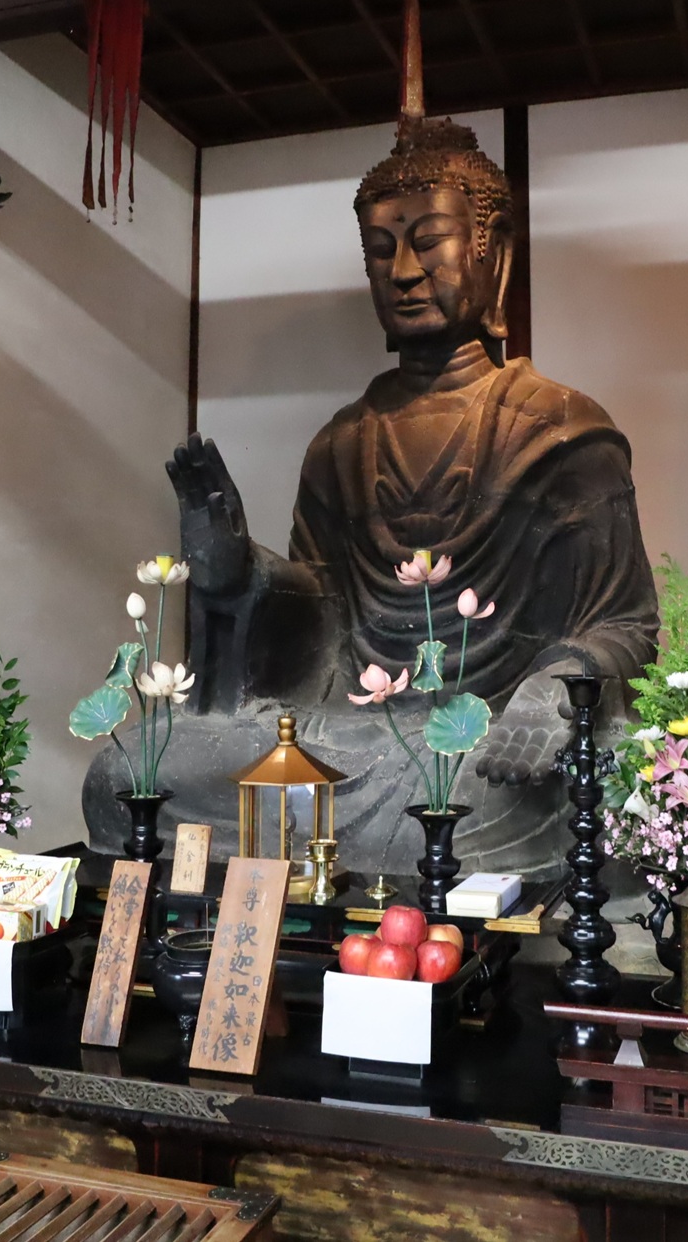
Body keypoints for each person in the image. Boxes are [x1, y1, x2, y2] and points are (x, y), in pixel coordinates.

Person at [87, 119, 657, 876]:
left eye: (430, 241)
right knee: (127, 771)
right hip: (349, 731)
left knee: (531, 793)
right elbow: (320, 620)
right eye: (381, 251)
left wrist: (551, 691)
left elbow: (624, 623)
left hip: (485, 736)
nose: (405, 272)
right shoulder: (342, 442)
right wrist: (235, 572)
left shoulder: (562, 429)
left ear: (493, 252)